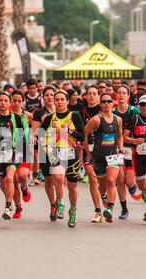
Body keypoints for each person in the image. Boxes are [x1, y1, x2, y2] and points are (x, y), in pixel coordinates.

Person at [39, 89, 85, 227]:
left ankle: (73, 210)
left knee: (72, 187)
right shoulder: (49, 118)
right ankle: (60, 202)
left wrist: (69, 131)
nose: (59, 102)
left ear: (66, 101)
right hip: (56, 154)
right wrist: (39, 138)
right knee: (58, 177)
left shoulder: (74, 116)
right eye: (57, 99)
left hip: (71, 154)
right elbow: (40, 133)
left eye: (62, 99)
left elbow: (82, 137)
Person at [0, 91, 29, 220]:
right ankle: (11, 201)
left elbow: (22, 138)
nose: (3, 103)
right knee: (2, 183)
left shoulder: (16, 118)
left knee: (10, 179)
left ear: (9, 103)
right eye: (0, 100)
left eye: (6, 100)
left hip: (13, 152)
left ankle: (8, 206)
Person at [84, 93, 124, 223]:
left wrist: (121, 150)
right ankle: (103, 197)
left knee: (112, 181)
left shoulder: (118, 119)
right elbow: (84, 135)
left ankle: (110, 210)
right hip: (98, 156)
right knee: (102, 185)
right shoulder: (96, 119)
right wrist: (88, 154)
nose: (107, 104)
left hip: (113, 154)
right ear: (100, 104)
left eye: (109, 101)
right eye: (104, 102)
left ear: (113, 103)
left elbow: (119, 136)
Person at [112, 84, 141, 219]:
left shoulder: (135, 111)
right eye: (119, 93)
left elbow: (144, 124)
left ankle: (134, 187)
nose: (122, 95)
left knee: (129, 182)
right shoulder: (112, 111)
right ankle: (124, 209)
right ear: (116, 96)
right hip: (116, 148)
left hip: (131, 147)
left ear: (129, 96)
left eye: (124, 93)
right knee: (120, 179)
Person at [79, 85, 103, 219]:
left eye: (94, 93)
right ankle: (98, 211)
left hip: (104, 150)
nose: (92, 96)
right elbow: (80, 133)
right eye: (89, 93)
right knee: (93, 179)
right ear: (86, 96)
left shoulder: (104, 110)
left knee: (103, 181)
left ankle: (104, 195)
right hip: (88, 150)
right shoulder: (81, 113)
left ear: (98, 96)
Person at [10, 90, 33, 218]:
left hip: (24, 149)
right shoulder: (6, 115)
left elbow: (35, 128)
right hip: (10, 150)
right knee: (13, 179)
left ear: (23, 101)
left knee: (23, 176)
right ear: (11, 101)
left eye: (19, 101)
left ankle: (24, 188)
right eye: (14, 101)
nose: (17, 103)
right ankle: (18, 207)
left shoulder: (28, 115)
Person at [31, 86, 56, 187]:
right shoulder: (38, 113)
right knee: (49, 180)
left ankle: (60, 200)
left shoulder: (62, 111)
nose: (50, 97)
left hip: (60, 146)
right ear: (43, 97)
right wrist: (43, 123)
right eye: (47, 95)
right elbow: (35, 132)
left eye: (52, 95)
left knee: (59, 177)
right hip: (45, 148)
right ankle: (52, 202)